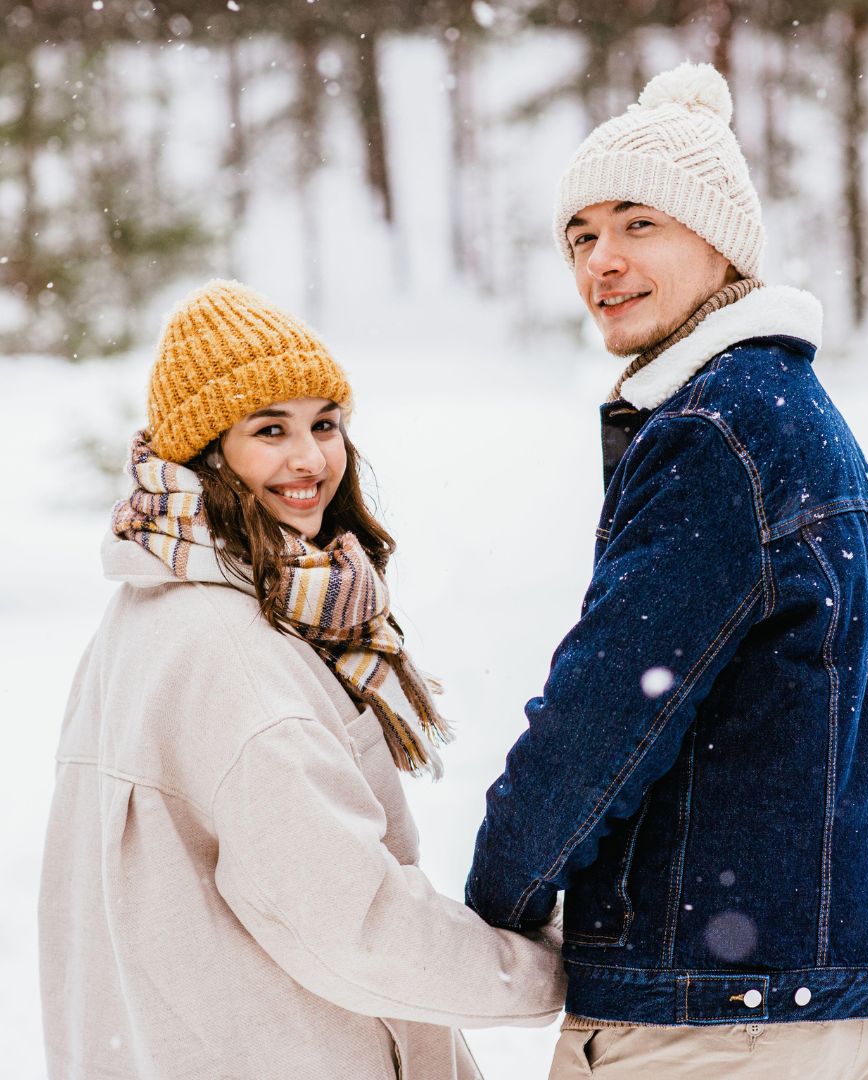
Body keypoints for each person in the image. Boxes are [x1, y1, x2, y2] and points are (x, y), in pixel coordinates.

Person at [465, 61, 868, 1079]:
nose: (602, 261)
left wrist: (497, 895)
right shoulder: (795, 416)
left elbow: (609, 708)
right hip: (824, 995)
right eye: (581, 236)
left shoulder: (718, 430)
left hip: (714, 1017)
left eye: (639, 224)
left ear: (720, 242)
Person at [39, 280, 566, 1079]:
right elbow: (355, 926)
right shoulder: (234, 651)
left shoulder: (151, 608)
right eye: (270, 429)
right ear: (207, 451)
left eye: (325, 424)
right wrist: (550, 970)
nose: (310, 459)